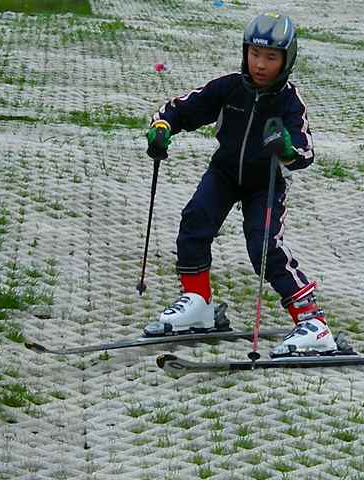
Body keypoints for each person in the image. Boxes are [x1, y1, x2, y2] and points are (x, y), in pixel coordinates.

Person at [145, 12, 337, 357]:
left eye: (271, 57)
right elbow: (183, 109)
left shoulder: (289, 102)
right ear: (245, 52)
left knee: (264, 246)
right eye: (255, 54)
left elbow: (305, 152)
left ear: (287, 59)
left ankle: (313, 323)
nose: (260, 64)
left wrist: (286, 149)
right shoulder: (229, 87)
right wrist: (163, 127)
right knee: (195, 219)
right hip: (225, 173)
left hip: (266, 182)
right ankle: (198, 302)